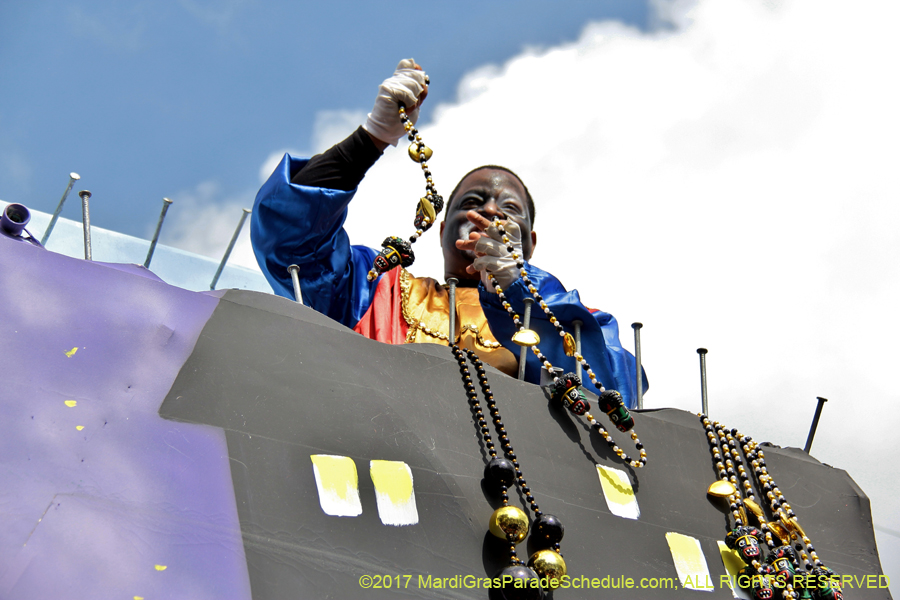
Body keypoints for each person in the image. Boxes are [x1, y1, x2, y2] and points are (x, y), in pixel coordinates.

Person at [251, 60, 646, 407]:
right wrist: (370, 139)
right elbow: (289, 240)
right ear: (442, 232)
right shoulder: (375, 289)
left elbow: (613, 397)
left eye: (510, 209)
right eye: (473, 201)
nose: (490, 210)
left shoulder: (579, 323)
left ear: (531, 241)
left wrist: (518, 286)